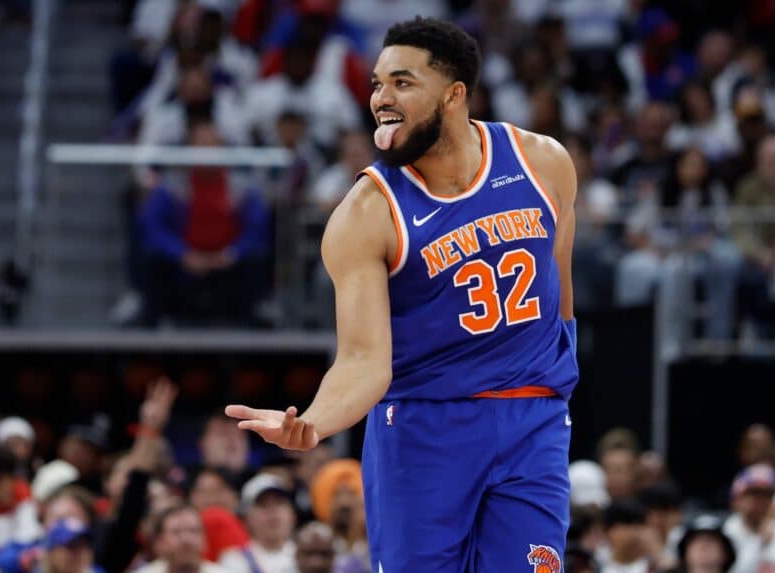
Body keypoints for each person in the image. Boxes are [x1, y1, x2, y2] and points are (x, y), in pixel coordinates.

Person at [227, 16, 579, 571]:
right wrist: (314, 423)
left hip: (531, 419)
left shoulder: (543, 163)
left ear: (454, 95)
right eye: (376, 84)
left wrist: (554, 391)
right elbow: (363, 361)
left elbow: (561, 297)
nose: (380, 99)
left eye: (402, 83)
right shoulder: (366, 213)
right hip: (424, 428)